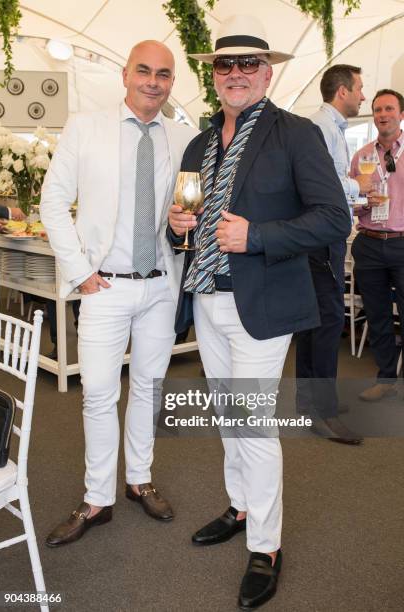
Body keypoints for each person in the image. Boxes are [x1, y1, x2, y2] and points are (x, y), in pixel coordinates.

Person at [168, 15, 351, 610]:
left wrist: (261, 235)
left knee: (251, 423)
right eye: (226, 65)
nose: (237, 73)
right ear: (213, 75)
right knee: (227, 416)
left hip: (265, 306)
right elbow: (186, 217)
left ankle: (266, 545)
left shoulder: (295, 134)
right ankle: (241, 506)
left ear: (267, 73)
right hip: (208, 295)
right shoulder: (198, 143)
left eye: (249, 64)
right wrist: (177, 228)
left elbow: (333, 219)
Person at [40, 40, 197, 546]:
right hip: (103, 287)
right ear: (125, 74)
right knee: (99, 395)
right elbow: (53, 201)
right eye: (145, 71)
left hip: (159, 286)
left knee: (149, 390)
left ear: (173, 82)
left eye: (164, 74)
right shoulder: (86, 127)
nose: (154, 81)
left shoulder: (181, 136)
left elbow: (190, 203)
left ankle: (139, 480)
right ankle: (96, 498)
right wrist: (81, 270)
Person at [296, 64, 370, 444]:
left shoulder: (332, 129)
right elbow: (320, 183)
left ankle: (311, 401)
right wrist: (360, 185)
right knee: (324, 325)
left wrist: (352, 196)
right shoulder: (320, 128)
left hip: (324, 238)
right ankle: (320, 411)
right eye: (359, 88)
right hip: (321, 240)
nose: (363, 95)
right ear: (341, 92)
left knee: (316, 324)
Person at [350, 89, 404, 401]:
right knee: (378, 314)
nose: (382, 114)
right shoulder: (363, 156)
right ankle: (385, 378)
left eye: (388, 108)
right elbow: (351, 201)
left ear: (400, 114)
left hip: (401, 243)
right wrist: (362, 202)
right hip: (369, 243)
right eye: (377, 109)